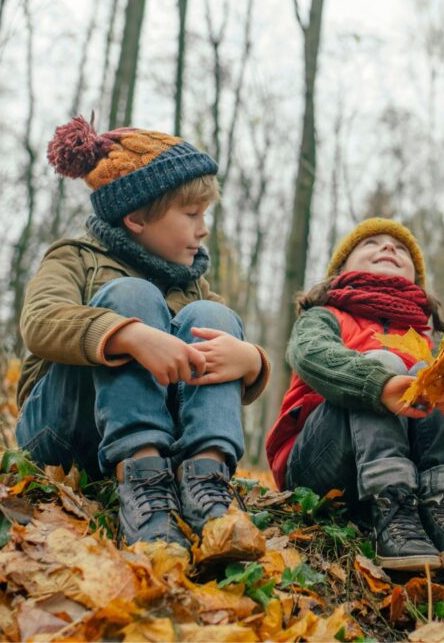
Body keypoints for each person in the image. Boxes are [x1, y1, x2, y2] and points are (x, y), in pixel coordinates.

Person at [15, 116, 269, 557]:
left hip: (164, 439)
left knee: (213, 314)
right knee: (132, 295)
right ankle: (142, 481)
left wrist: (253, 362)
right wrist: (128, 335)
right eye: (191, 214)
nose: (203, 229)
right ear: (135, 216)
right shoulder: (78, 258)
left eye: (204, 214)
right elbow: (40, 321)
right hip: (63, 432)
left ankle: (207, 489)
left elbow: (220, 361)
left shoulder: (192, 288)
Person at [266, 218, 444, 571]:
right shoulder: (324, 316)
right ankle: (392, 505)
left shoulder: (421, 337)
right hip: (320, 465)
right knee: (382, 361)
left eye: (401, 248)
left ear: (416, 279)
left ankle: (443, 506)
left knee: (431, 374)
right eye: (371, 244)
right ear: (341, 267)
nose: (388, 248)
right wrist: (379, 384)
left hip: (409, 468)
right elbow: (309, 354)